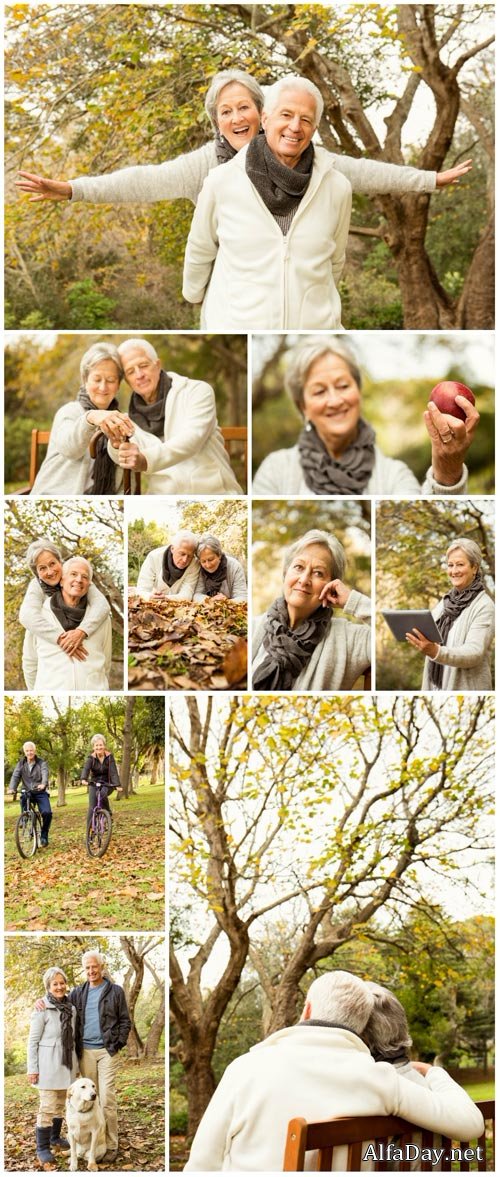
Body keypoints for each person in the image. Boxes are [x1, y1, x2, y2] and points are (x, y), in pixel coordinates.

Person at [16, 69, 471, 213]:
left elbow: (370, 172)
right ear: (217, 122)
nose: (236, 117)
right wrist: (72, 188)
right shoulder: (203, 166)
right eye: (225, 112)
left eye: (244, 107)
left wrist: (430, 178)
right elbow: (140, 181)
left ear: (263, 113)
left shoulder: (307, 156)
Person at [184, 969, 484, 1171]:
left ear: (308, 1010)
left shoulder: (245, 1069)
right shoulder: (380, 1080)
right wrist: (433, 1072)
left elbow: (201, 1166)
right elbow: (471, 1125)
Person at [183, 76, 352, 330]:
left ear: (314, 129)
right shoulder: (222, 181)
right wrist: (194, 295)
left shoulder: (338, 188)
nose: (295, 127)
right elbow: (200, 248)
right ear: (265, 119)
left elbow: (335, 261)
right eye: (286, 115)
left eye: (305, 119)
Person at [253, 338, 479, 496]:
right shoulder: (276, 470)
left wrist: (447, 470)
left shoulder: (393, 475)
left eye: (343, 386)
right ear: (303, 406)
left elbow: (429, 510)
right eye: (320, 391)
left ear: (357, 392)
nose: (335, 400)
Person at [104, 339, 242, 493]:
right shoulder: (129, 419)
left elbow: (191, 440)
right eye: (130, 371)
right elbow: (124, 456)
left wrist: (146, 460)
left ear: (157, 365)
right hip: (163, 499)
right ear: (127, 381)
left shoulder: (197, 391)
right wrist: (117, 446)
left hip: (212, 492)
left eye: (143, 365)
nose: (139, 375)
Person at [35, 950, 131, 1165]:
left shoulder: (115, 991)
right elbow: (57, 998)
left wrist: (117, 1043)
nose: (91, 971)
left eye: (94, 966)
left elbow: (125, 1021)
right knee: (89, 1100)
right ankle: (90, 1143)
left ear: (101, 966)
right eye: (87, 968)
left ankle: (111, 1144)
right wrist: (40, 1001)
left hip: (107, 1051)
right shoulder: (78, 993)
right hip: (85, 1052)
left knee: (106, 1099)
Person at [252, 529, 370, 690]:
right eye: (299, 567)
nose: (304, 579)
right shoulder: (253, 628)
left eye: (318, 573)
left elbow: (389, 629)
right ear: (286, 574)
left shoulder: (349, 638)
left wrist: (352, 601)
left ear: (332, 585)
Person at [30, 342, 128, 495]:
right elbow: (70, 449)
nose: (103, 387)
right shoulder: (69, 411)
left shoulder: (119, 420)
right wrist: (91, 418)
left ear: (118, 385)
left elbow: (124, 478)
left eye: (110, 380)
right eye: (97, 379)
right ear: (85, 380)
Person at [19, 538, 111, 688]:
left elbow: (102, 605)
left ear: (60, 562)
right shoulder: (37, 595)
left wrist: (82, 631)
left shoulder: (79, 577)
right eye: (42, 568)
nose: (50, 572)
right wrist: (61, 639)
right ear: (36, 573)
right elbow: (27, 616)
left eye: (52, 564)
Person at [405, 538, 495, 690]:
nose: (454, 571)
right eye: (450, 565)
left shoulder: (485, 606)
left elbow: (474, 653)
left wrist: (436, 651)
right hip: (435, 687)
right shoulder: (445, 602)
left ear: (474, 567)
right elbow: (431, 634)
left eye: (460, 564)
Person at [27, 966, 78, 1169]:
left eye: (62, 983)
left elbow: (73, 1037)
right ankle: (42, 1147)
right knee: (47, 1107)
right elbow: (32, 1041)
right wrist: (32, 1068)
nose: (59, 986)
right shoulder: (41, 1008)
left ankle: (55, 1138)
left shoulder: (71, 1008)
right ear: (48, 987)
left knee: (60, 1104)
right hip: (48, 1064)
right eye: (55, 984)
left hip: (67, 1064)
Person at [8, 741, 52, 848]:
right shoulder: (21, 764)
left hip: (40, 791)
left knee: (47, 813)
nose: (29, 752)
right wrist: (12, 788)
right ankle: (25, 817)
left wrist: (43, 784)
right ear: (24, 752)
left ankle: (44, 834)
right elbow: (15, 776)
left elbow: (45, 773)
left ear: (35, 751)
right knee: (23, 797)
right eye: (27, 751)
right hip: (27, 791)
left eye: (31, 750)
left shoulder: (42, 763)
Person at [136, 531, 199, 599]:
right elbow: (142, 590)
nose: (185, 560)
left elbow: (187, 595)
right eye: (182, 554)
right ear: (172, 548)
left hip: (179, 608)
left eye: (189, 556)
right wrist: (150, 596)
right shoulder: (154, 557)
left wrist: (165, 598)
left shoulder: (194, 564)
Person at [80, 733, 122, 832]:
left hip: (107, 783)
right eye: (96, 745)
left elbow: (113, 772)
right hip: (94, 783)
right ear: (93, 747)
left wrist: (117, 785)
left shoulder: (109, 757)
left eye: (100, 745)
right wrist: (83, 779)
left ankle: (108, 813)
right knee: (92, 807)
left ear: (104, 745)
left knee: (102, 793)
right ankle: (89, 831)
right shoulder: (91, 758)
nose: (99, 747)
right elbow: (86, 769)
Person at [193, 534, 247, 601]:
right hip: (207, 608)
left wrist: (225, 602)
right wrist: (211, 600)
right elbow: (196, 595)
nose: (208, 565)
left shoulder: (235, 566)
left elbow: (242, 596)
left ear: (219, 555)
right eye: (203, 561)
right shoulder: (199, 568)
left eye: (211, 559)